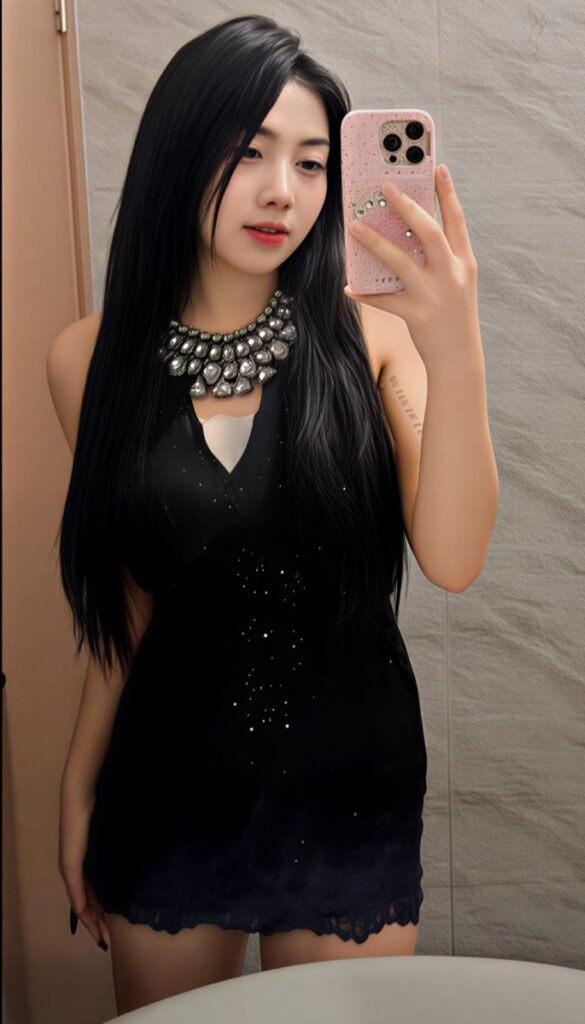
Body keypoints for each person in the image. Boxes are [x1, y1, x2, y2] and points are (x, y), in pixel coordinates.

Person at [48, 13, 491, 1017]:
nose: (282, 190)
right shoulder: (86, 360)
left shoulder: (375, 337)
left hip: (348, 787)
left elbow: (454, 557)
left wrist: (455, 346)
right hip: (165, 790)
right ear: (178, 151)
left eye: (310, 161)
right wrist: (78, 788)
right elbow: (130, 602)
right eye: (248, 152)